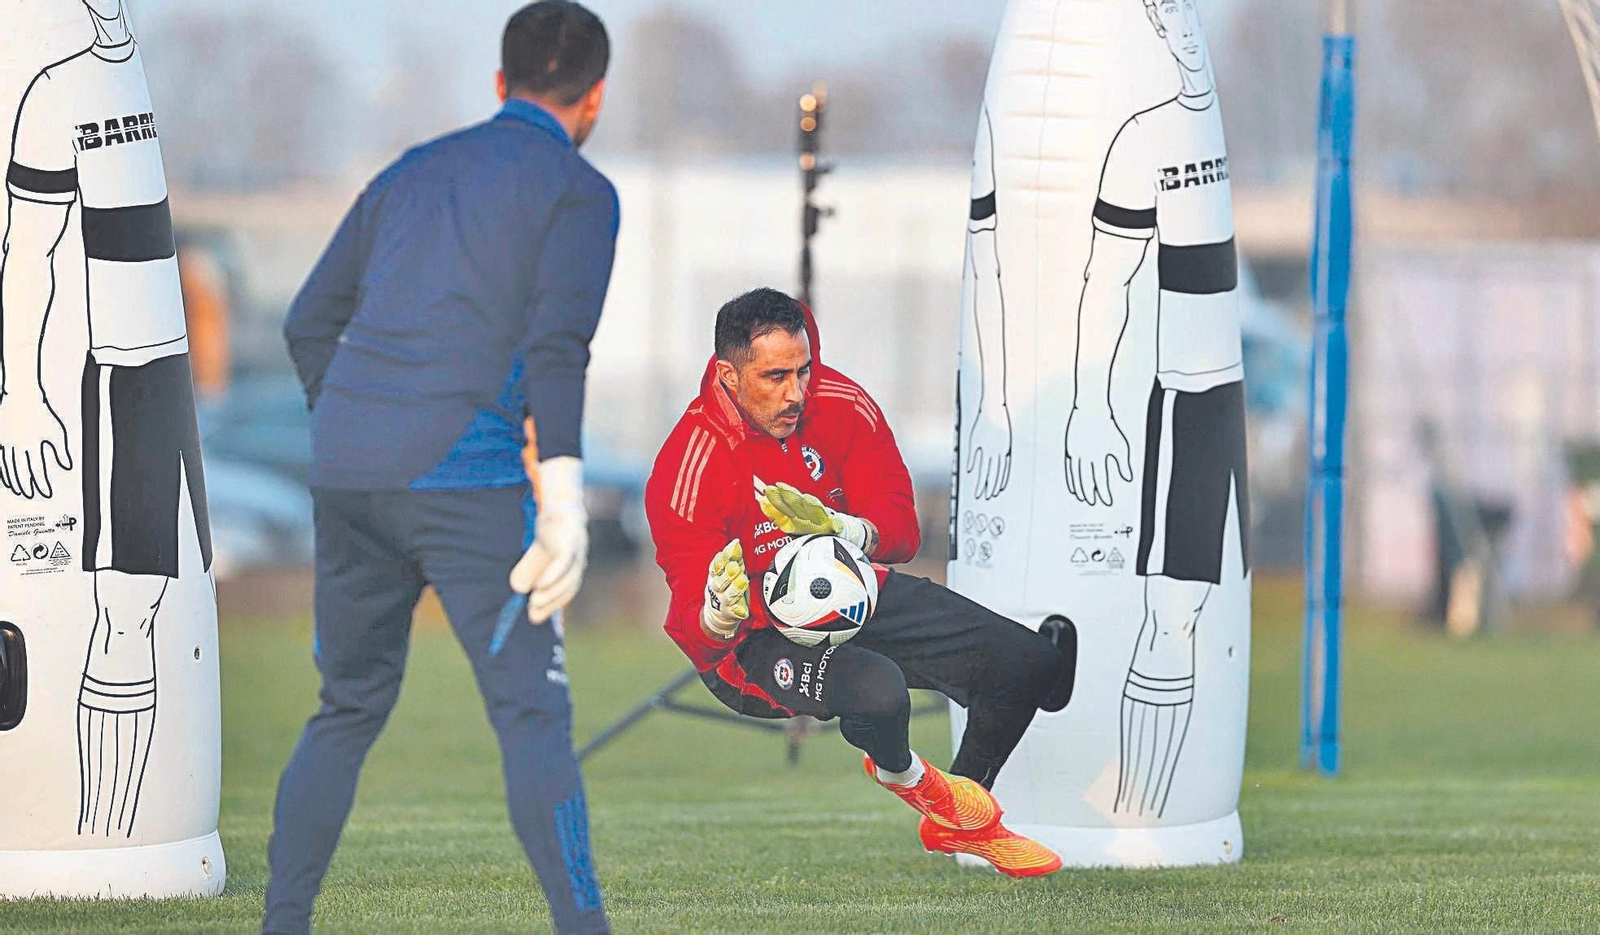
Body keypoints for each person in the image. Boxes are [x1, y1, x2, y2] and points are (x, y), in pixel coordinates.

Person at [264, 4, 617, 933]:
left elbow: (307, 322)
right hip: (468, 485)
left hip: (345, 477)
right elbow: (557, 349)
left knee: (344, 708)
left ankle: (282, 922)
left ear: (499, 85)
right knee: (534, 720)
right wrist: (566, 505)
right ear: (596, 98)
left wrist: (351, 427)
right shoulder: (580, 191)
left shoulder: (408, 172)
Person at [645, 288, 1077, 878]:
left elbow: (902, 531)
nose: (796, 393)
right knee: (879, 691)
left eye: (803, 371)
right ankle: (922, 785)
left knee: (1028, 663)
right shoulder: (688, 465)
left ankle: (958, 821)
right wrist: (718, 613)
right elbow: (698, 638)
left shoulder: (844, 404)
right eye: (774, 377)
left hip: (856, 593)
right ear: (728, 375)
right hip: (754, 643)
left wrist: (846, 529)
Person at [0, 0, 211, 838]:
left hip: (168, 380)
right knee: (125, 612)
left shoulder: (131, 82)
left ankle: (137, 841)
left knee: (153, 613)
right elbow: (28, 254)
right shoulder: (54, 89)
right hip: (119, 375)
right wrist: (23, 394)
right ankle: (100, 840)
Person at [1063, 0, 1248, 819]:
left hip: (1234, 399)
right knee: (1170, 613)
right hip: (1190, 402)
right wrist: (1089, 407)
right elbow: (1106, 282)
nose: (1179, 25)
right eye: (1162, 11)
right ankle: (1140, 817)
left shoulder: (1217, 135)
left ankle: (1191, 811)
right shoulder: (1141, 140)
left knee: (1214, 617)